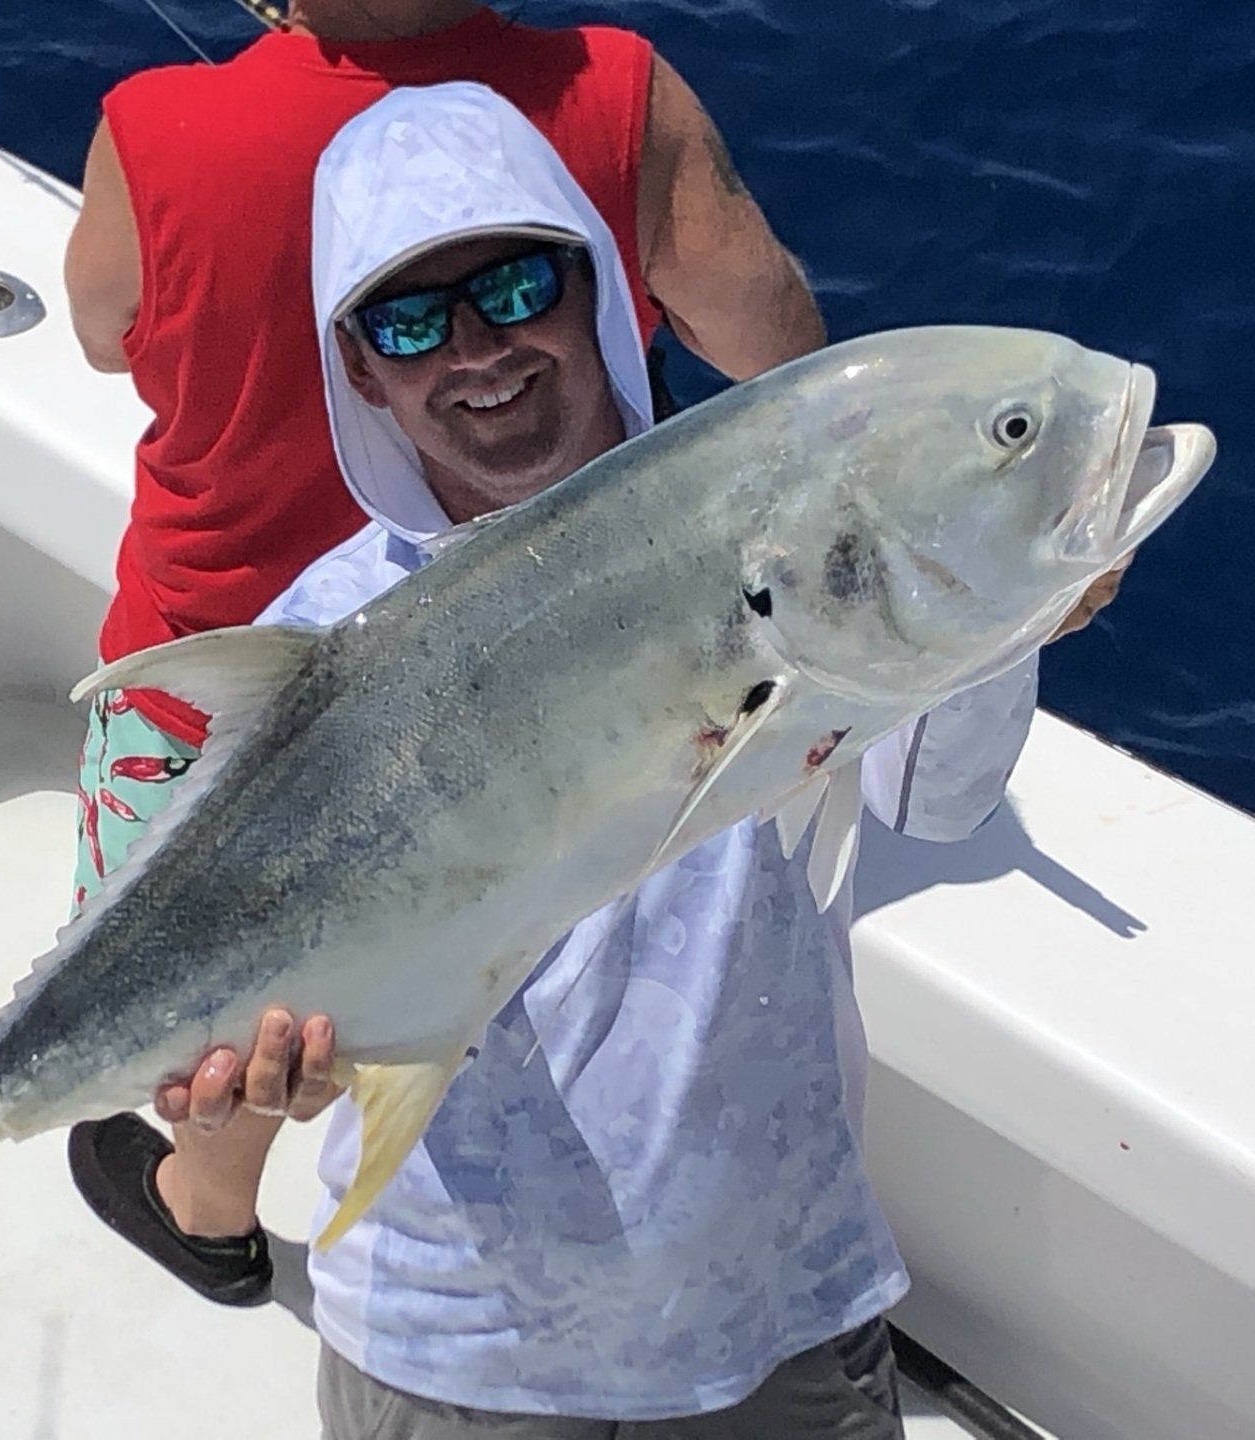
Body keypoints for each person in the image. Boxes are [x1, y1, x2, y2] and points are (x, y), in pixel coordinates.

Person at [75, 83, 1078, 1438]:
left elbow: (938, 799)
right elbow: (266, 1003)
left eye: (515, 286)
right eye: (409, 321)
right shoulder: (327, 628)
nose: (476, 349)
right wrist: (269, 1078)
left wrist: (1006, 601)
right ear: (361, 371)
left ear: (596, 285)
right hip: (447, 1346)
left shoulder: (774, 536)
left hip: (777, 1303)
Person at [63, 0, 828, 1302]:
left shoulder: (158, 129)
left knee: (225, 1006)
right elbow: (778, 364)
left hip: (215, 664)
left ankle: (206, 1201)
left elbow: (96, 332)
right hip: (556, 667)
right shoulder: (617, 94)